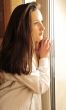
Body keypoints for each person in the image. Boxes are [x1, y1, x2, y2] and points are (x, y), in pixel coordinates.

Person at [0, 2, 51, 110]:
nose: (43, 27)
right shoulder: (17, 55)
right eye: (36, 23)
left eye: (41, 22)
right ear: (23, 27)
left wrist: (38, 56)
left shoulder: (28, 53)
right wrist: (44, 58)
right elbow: (42, 85)